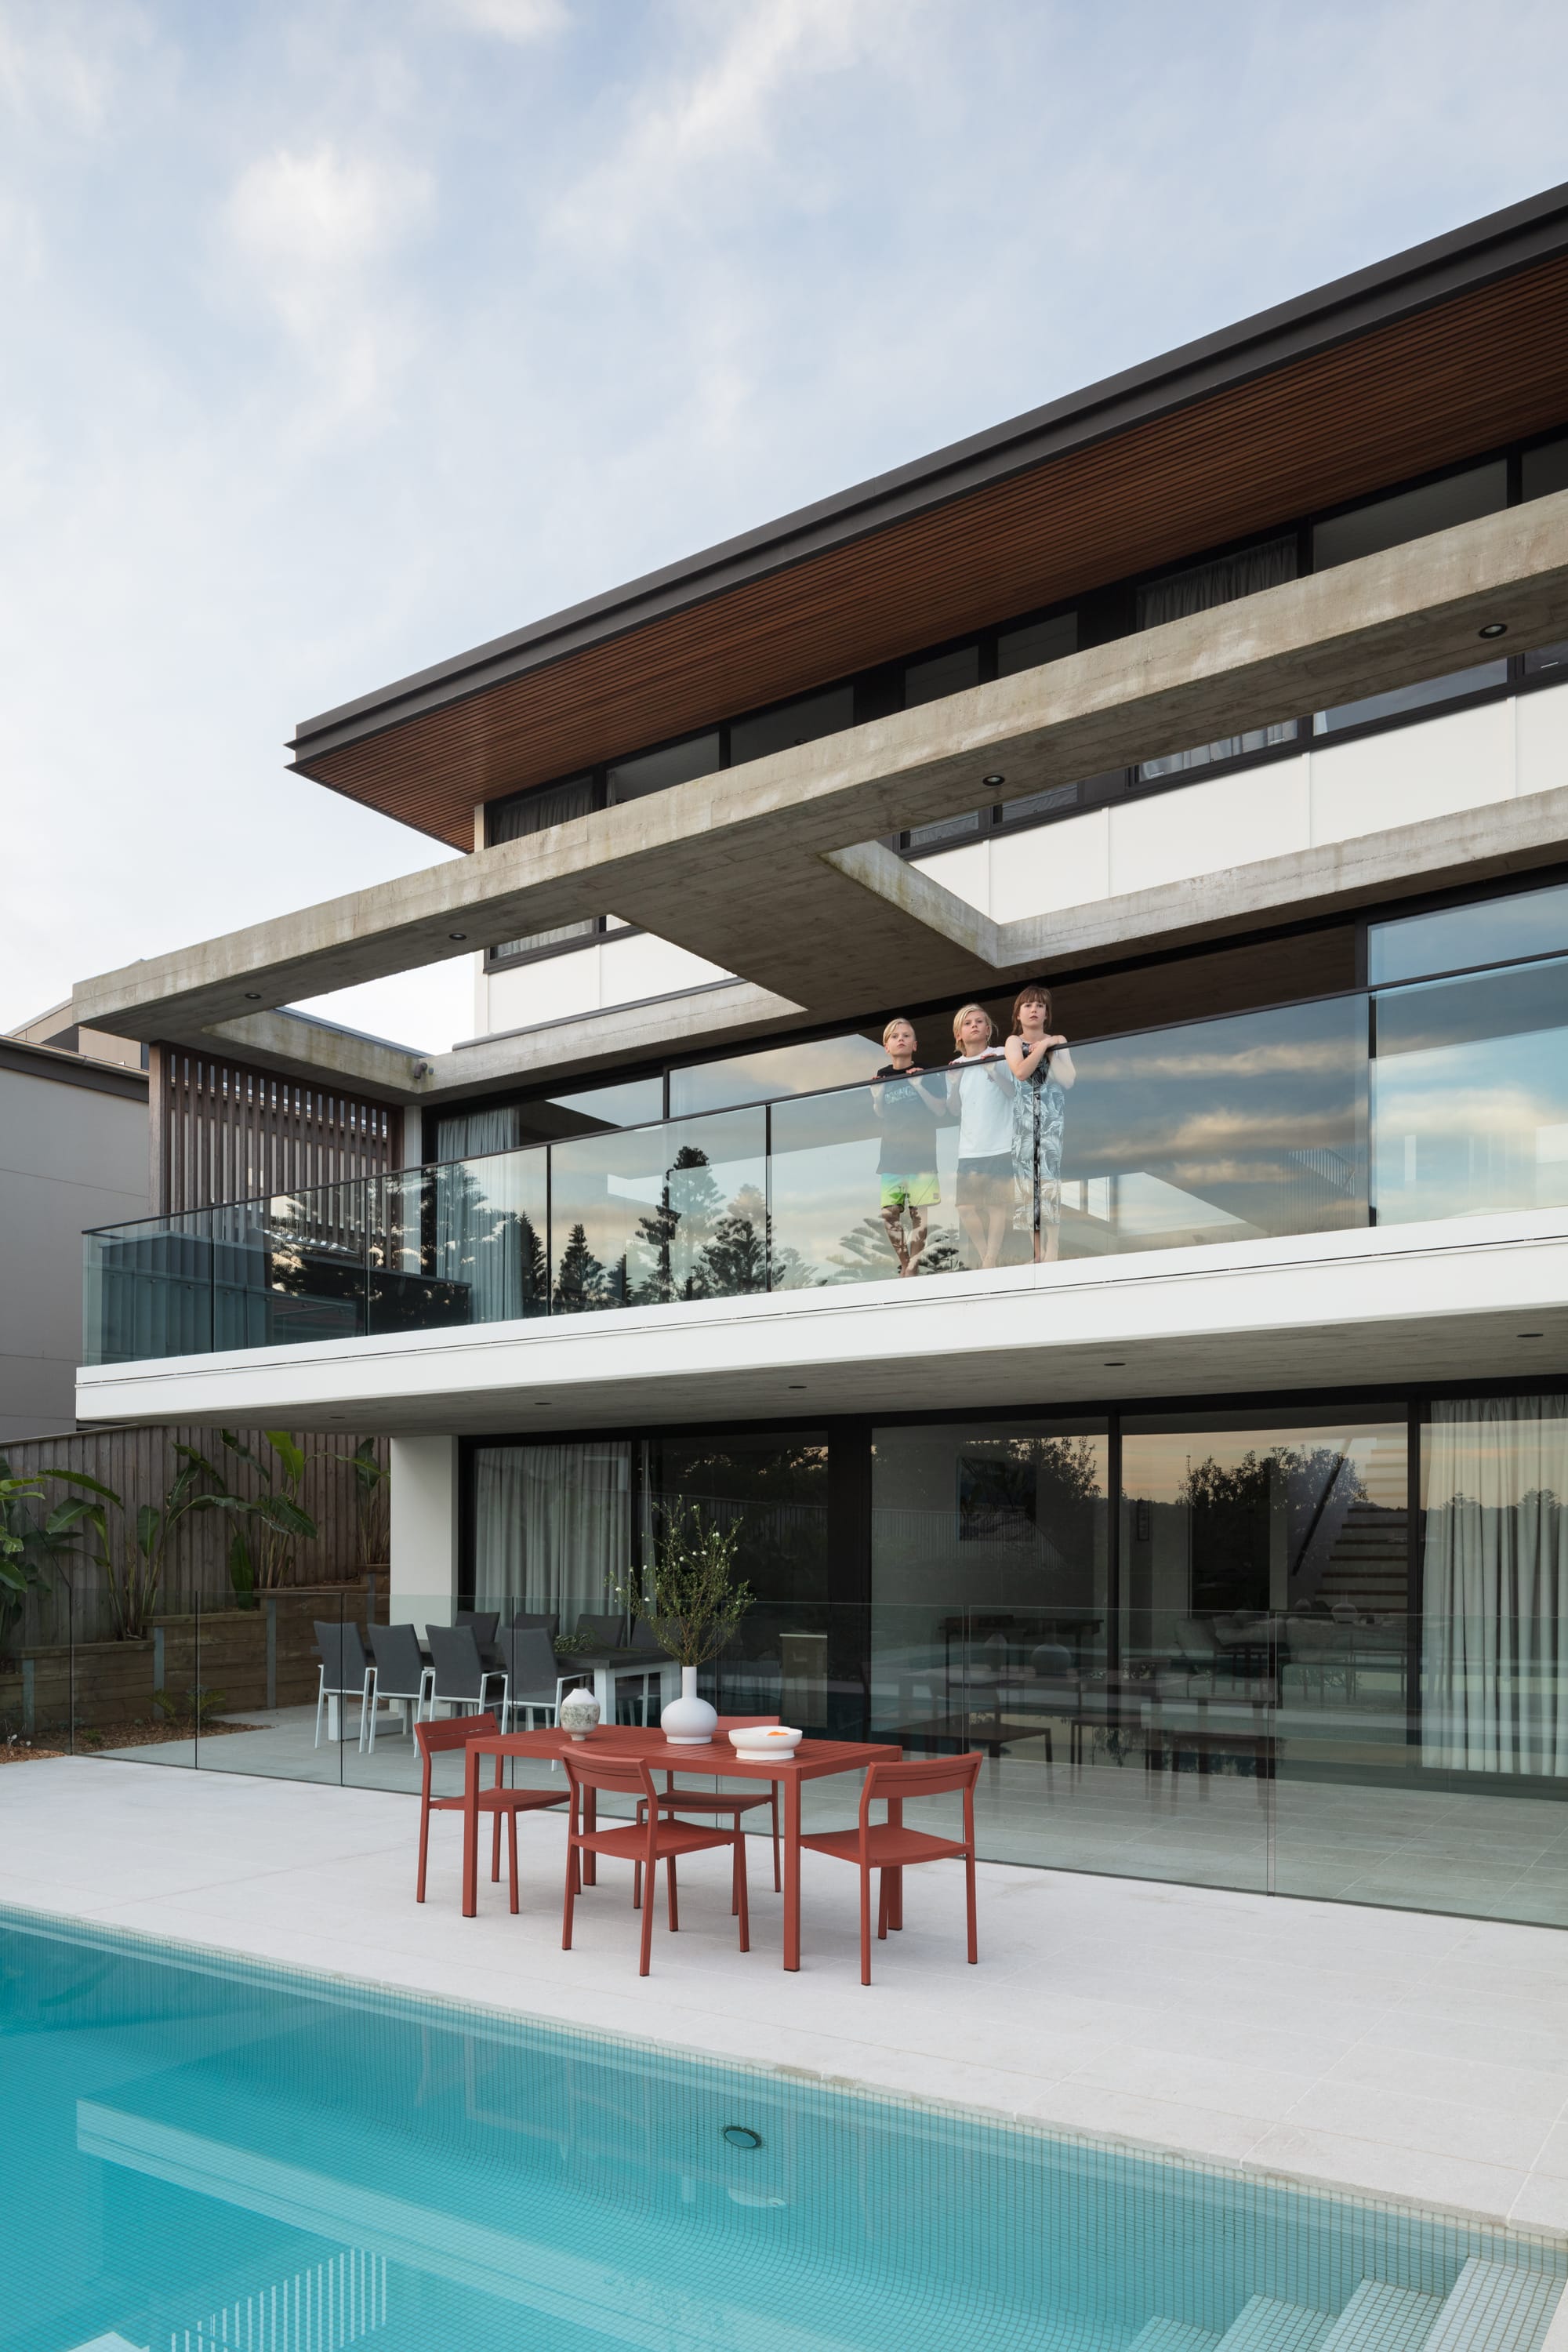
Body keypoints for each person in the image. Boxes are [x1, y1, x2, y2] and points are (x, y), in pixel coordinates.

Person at [1004, 982, 1075, 1262]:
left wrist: (1049, 1046)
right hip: (1023, 1122)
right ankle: (1036, 1251)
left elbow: (1068, 1079)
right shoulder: (1013, 1041)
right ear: (1018, 1014)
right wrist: (1043, 1046)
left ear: (1047, 1013)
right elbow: (1021, 1071)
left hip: (1050, 1120)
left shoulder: (1059, 1041)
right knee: (1025, 1182)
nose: (1034, 1010)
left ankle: (1053, 1247)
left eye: (1039, 1005)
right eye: (1028, 1005)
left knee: (1049, 1179)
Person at [869, 1018, 946, 1276]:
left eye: (906, 1035)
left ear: (915, 1045)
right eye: (894, 1036)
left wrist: (920, 1086)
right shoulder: (883, 1075)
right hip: (891, 1156)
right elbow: (880, 1113)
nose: (900, 1039)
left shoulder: (926, 1071)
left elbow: (940, 1110)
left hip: (921, 1155)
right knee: (889, 1214)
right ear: (886, 1046)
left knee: (918, 1214)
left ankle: (914, 1265)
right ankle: (905, 1264)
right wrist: (878, 1095)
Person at [949, 1002, 1015, 1269]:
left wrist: (994, 1072)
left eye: (979, 1021)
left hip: (1000, 1144)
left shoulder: (1000, 1054)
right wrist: (953, 1085)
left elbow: (1014, 1092)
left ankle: (990, 1259)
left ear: (988, 1029)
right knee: (965, 1207)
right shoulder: (955, 1065)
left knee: (996, 1206)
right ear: (959, 1035)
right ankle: (984, 1253)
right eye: (967, 1023)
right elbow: (954, 1110)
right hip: (969, 1149)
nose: (974, 1025)